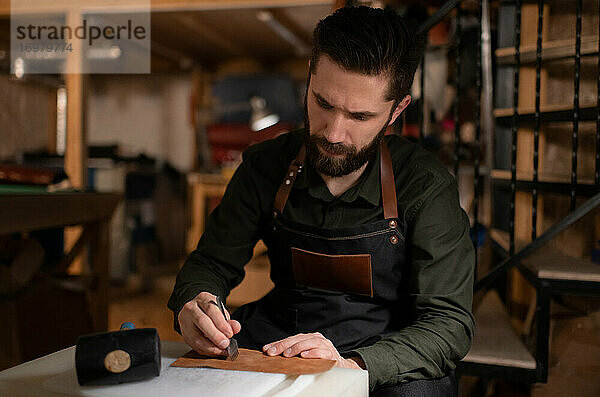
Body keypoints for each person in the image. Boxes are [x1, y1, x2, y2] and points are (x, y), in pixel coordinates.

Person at [168, 6, 474, 396]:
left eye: (360, 116)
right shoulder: (266, 166)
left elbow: (448, 323)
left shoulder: (425, 186)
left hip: (382, 347)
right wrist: (196, 304)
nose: (333, 132)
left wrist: (351, 366)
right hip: (281, 336)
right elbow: (210, 263)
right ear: (311, 76)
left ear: (396, 110)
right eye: (324, 103)